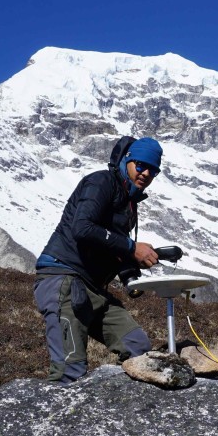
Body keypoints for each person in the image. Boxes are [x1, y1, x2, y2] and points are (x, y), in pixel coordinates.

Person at [33, 136, 163, 383]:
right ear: (127, 160)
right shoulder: (101, 181)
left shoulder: (128, 201)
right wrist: (131, 247)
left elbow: (109, 245)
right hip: (64, 279)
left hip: (93, 288)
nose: (146, 173)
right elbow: (82, 227)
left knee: (140, 350)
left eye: (153, 170)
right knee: (68, 373)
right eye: (141, 165)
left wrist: (134, 260)